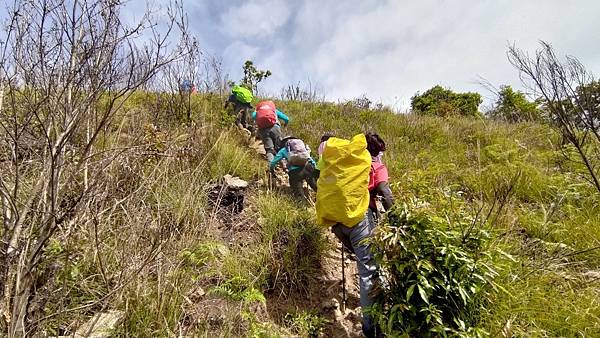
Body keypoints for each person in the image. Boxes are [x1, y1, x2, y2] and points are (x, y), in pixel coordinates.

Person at [315, 134, 381, 338]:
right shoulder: (363, 157)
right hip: (358, 218)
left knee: (363, 261)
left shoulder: (329, 154)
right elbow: (380, 186)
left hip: (334, 220)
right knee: (368, 272)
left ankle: (369, 303)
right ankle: (372, 328)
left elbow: (319, 174)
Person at [365, 132, 394, 217]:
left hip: (340, 212)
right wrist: (396, 217)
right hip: (363, 210)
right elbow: (384, 191)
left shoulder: (351, 164)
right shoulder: (378, 167)